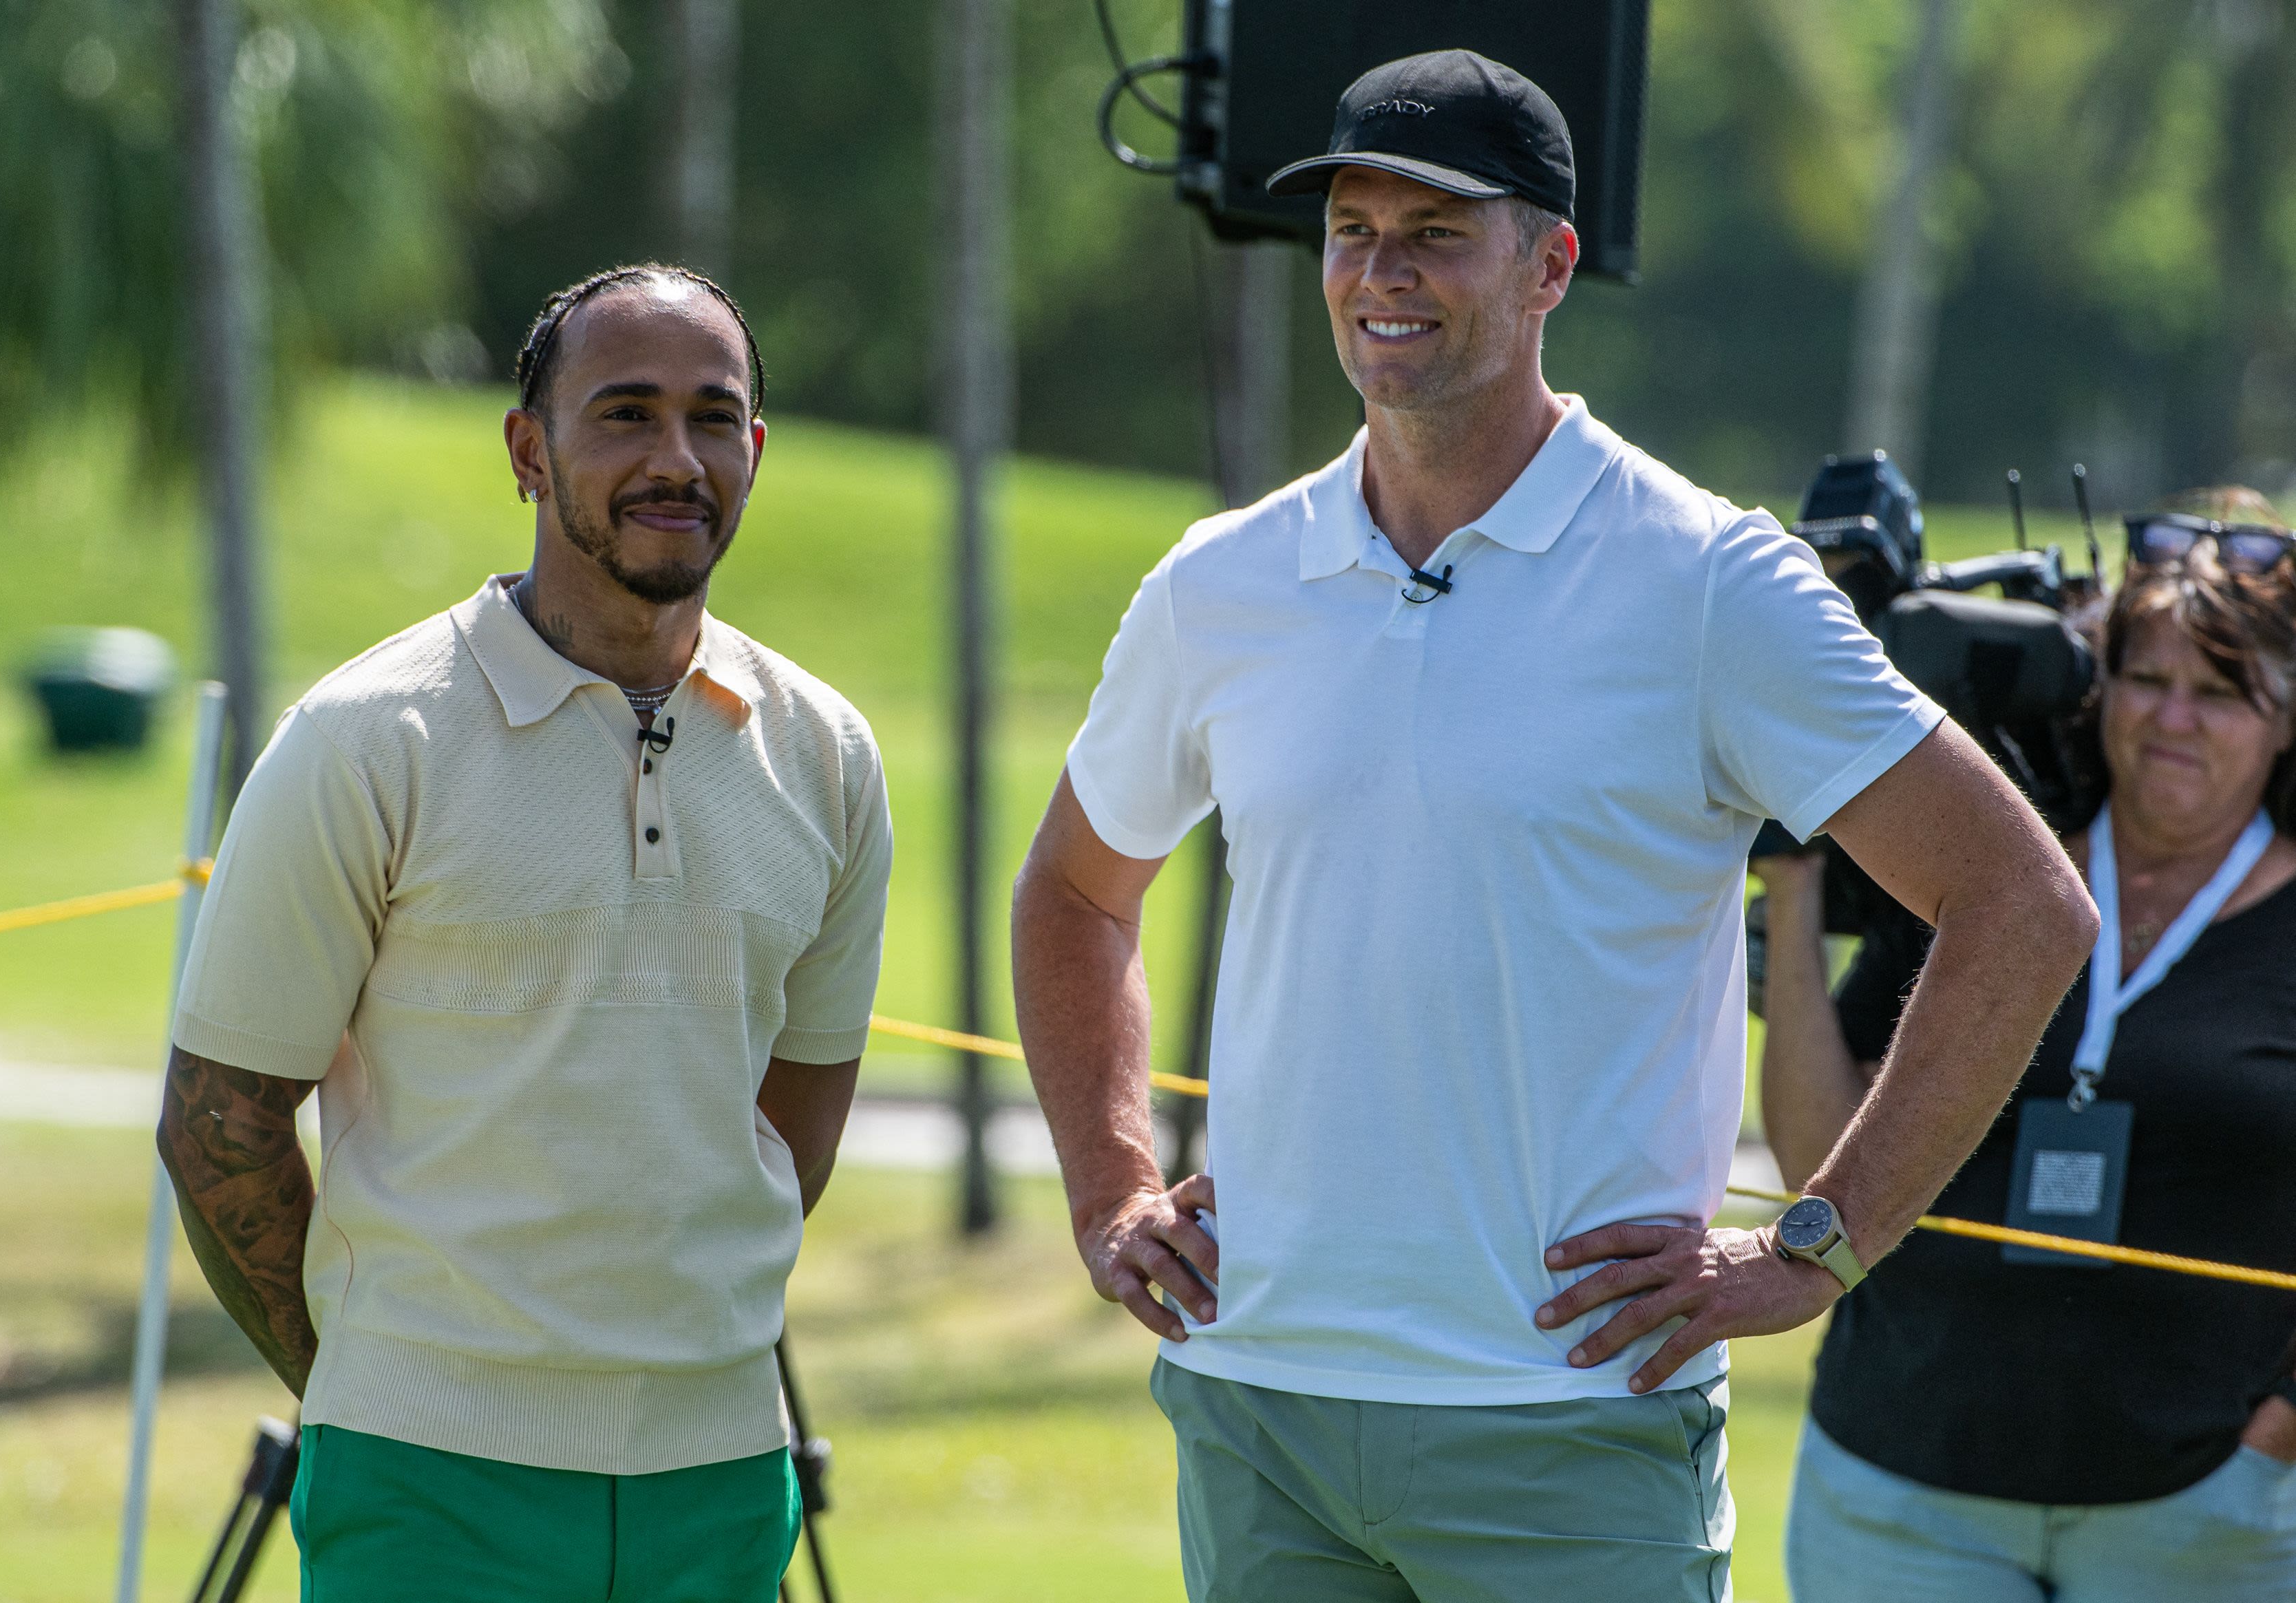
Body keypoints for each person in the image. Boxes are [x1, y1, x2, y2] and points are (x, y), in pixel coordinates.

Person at [1011, 47, 2097, 1602]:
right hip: (1259, 1409)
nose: (1379, 273)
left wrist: (1819, 1245)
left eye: (1436, 233)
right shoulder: (1218, 583)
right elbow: (1071, 890)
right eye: (1352, 230)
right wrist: (1113, 1186)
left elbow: (2020, 902)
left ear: (1550, 266)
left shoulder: (1710, 581)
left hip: (1572, 1426)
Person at [155, 264, 892, 1601]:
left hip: (724, 1480)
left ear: (756, 451)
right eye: (624, 413)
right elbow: (219, 1120)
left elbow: (796, 1115)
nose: (676, 458)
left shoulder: (830, 754)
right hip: (423, 1483)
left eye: (712, 418)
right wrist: (377, 1389)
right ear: (527, 450)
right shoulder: (367, 736)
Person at [1757, 487, 2296, 1601]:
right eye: (2146, 680)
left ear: (2287, 717)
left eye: (2222, 693)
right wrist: (1797, 881)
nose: (2174, 719)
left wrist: (2278, 1437)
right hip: (1898, 1492)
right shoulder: (2000, 877)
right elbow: (1822, 1150)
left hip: (2206, 1518)